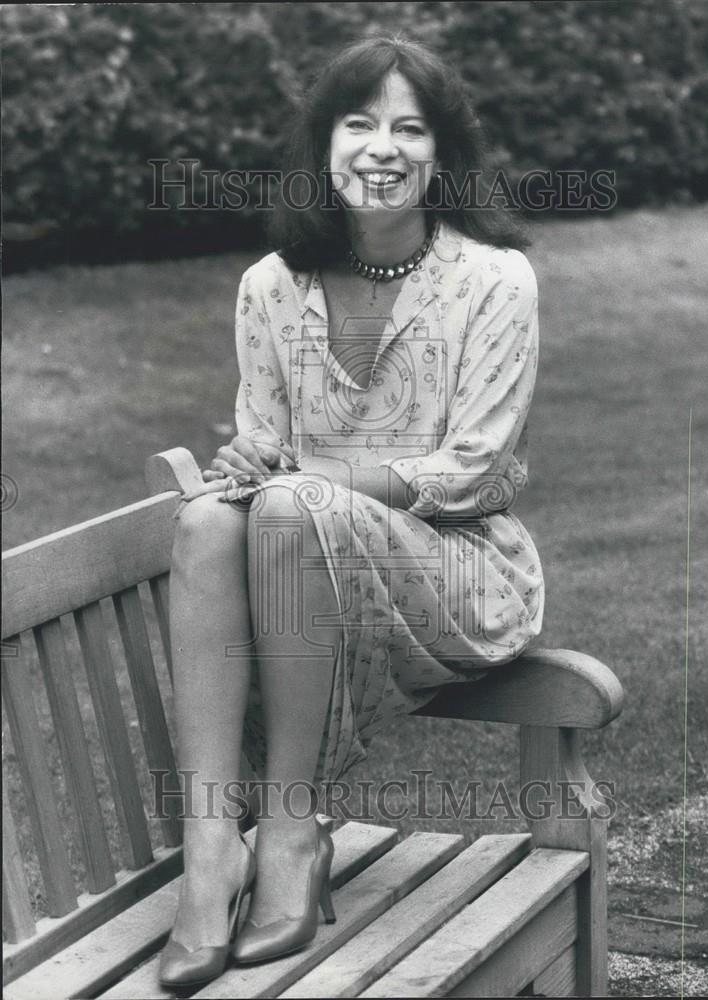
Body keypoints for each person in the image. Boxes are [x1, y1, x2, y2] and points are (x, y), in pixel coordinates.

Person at [158, 32, 544, 988]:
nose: (383, 147)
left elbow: (472, 467)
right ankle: (212, 849)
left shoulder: (495, 280)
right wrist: (251, 461)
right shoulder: (267, 288)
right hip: (307, 559)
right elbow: (269, 441)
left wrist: (304, 483)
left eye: (409, 128)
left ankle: (290, 830)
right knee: (210, 522)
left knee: (288, 507)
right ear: (323, 148)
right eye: (358, 123)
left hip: (460, 571)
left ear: (442, 156)